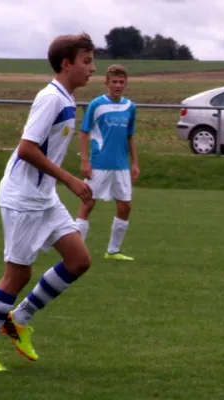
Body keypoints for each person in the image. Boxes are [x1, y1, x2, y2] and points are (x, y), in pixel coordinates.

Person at [0, 33, 96, 372]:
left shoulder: (67, 98)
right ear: (66, 64)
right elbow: (27, 148)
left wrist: (58, 182)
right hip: (23, 198)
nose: (92, 69)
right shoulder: (50, 98)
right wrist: (68, 178)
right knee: (17, 275)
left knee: (79, 259)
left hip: (43, 196)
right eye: (86, 61)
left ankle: (19, 318)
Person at [75, 64, 139, 261]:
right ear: (107, 83)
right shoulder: (96, 104)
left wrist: (134, 163)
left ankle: (113, 251)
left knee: (125, 206)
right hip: (99, 164)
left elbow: (130, 137)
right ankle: (76, 250)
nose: (118, 85)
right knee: (88, 204)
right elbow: (84, 133)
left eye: (121, 82)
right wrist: (85, 161)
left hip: (121, 166)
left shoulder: (131, 107)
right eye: (114, 82)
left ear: (126, 84)